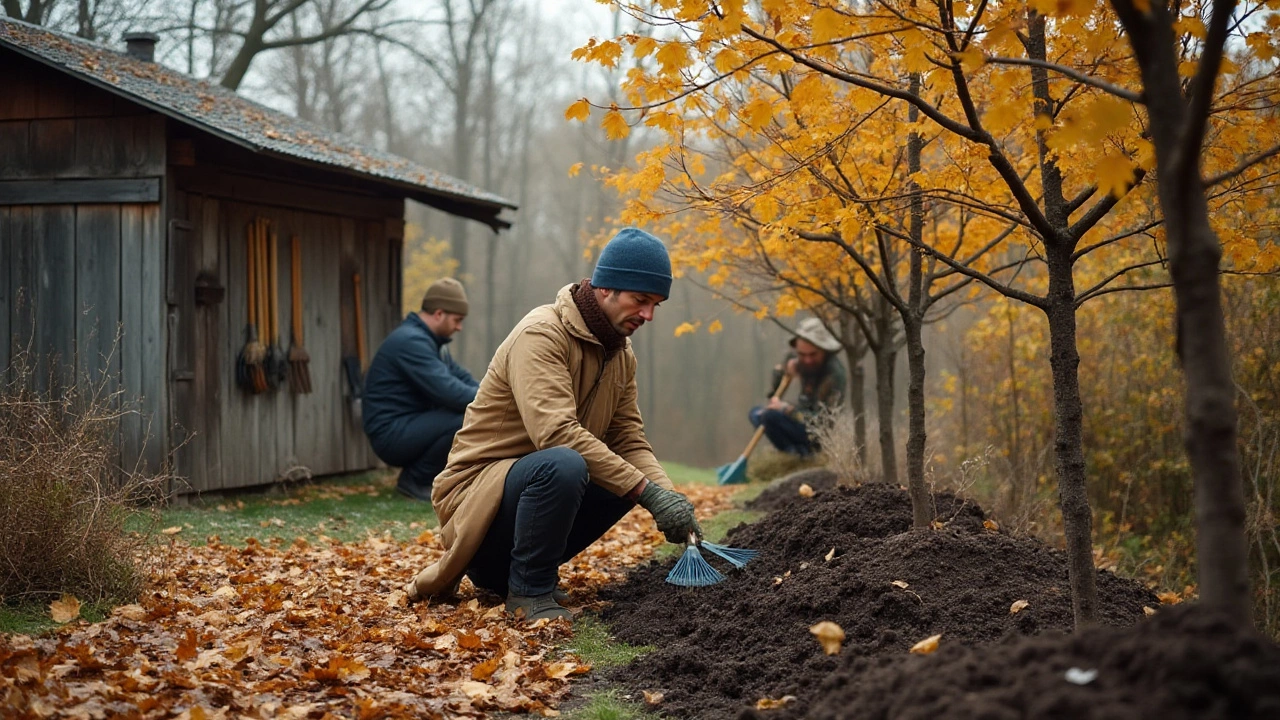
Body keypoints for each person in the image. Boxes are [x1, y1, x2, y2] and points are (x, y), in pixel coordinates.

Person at [401, 227, 701, 621]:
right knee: (567, 462)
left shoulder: (620, 354)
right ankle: (528, 592)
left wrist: (669, 498)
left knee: (620, 477)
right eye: (640, 300)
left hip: (531, 493)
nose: (647, 315)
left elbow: (629, 439)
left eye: (655, 305)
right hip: (476, 504)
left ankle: (522, 573)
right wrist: (646, 490)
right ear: (605, 288)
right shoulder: (541, 333)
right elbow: (555, 433)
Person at [363, 278, 478, 501]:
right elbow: (450, 392)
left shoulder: (430, 343)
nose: (459, 327)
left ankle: (426, 476)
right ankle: (416, 479)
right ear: (439, 313)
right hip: (391, 434)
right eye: (457, 319)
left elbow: (461, 377)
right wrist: (493, 403)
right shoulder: (411, 342)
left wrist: (495, 394)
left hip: (409, 426)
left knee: (469, 411)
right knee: (464, 417)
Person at [749, 317, 846, 456]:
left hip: (816, 433)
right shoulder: (795, 359)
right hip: (796, 416)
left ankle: (803, 455)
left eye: (813, 355)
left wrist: (786, 409)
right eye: (802, 354)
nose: (807, 360)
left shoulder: (834, 374)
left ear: (824, 350)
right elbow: (774, 393)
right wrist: (783, 372)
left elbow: (823, 423)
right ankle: (791, 453)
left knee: (770, 417)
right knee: (756, 414)